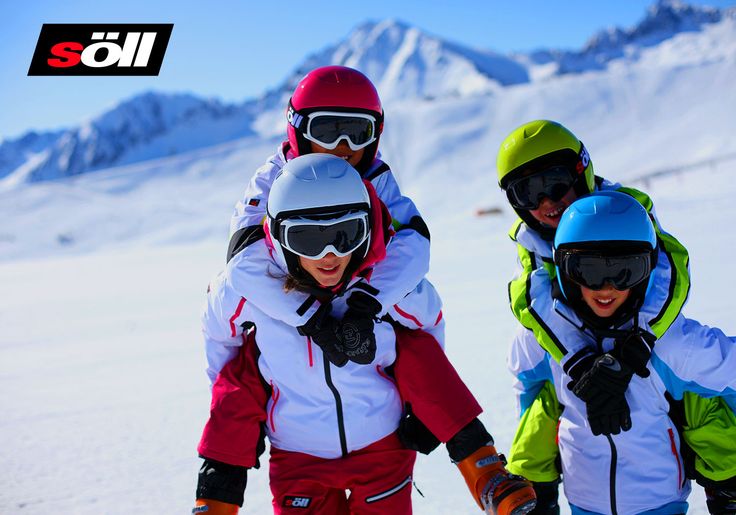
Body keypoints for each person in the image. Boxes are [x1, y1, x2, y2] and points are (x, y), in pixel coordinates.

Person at [194, 154, 537, 514]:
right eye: (308, 239)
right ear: (279, 237)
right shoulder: (253, 293)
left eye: (345, 235)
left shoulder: (387, 288)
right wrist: (244, 413)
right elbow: (220, 337)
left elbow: (428, 332)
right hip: (298, 456)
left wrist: (422, 410)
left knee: (413, 349)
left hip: (381, 448)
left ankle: (483, 469)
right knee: (241, 373)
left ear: (367, 230)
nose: (329, 255)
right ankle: (216, 497)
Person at [495, 120, 736, 513]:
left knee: (696, 397)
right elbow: (531, 297)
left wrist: (639, 339)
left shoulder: (629, 213)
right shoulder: (533, 240)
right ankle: (533, 491)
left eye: (554, 183)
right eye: (528, 193)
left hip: (656, 482)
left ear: (582, 169)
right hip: (585, 486)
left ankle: (729, 482)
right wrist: (578, 358)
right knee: (545, 405)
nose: (546, 203)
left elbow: (670, 270)